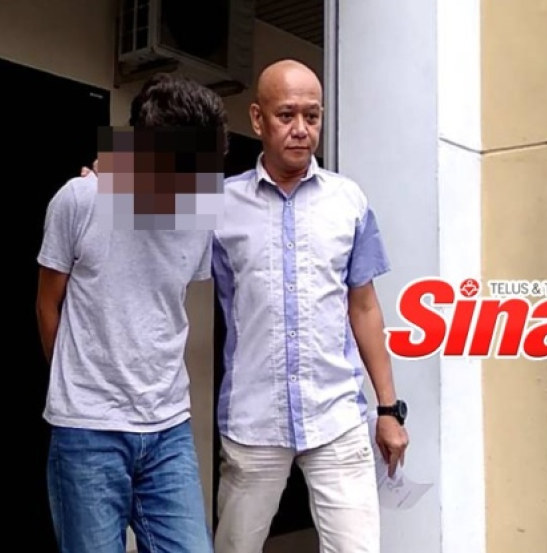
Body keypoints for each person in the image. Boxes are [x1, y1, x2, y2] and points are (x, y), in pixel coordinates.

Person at [211, 58, 410, 553]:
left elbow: (364, 308)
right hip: (254, 422)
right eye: (286, 115)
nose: (301, 129)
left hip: (336, 417)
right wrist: (107, 179)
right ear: (257, 119)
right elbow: (141, 227)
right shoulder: (218, 205)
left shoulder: (349, 201)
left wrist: (389, 409)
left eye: (312, 116)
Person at [36, 72, 226, 553]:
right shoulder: (79, 200)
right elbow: (46, 303)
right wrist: (76, 387)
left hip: (169, 427)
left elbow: (162, 300)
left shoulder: (200, 212)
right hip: (88, 430)